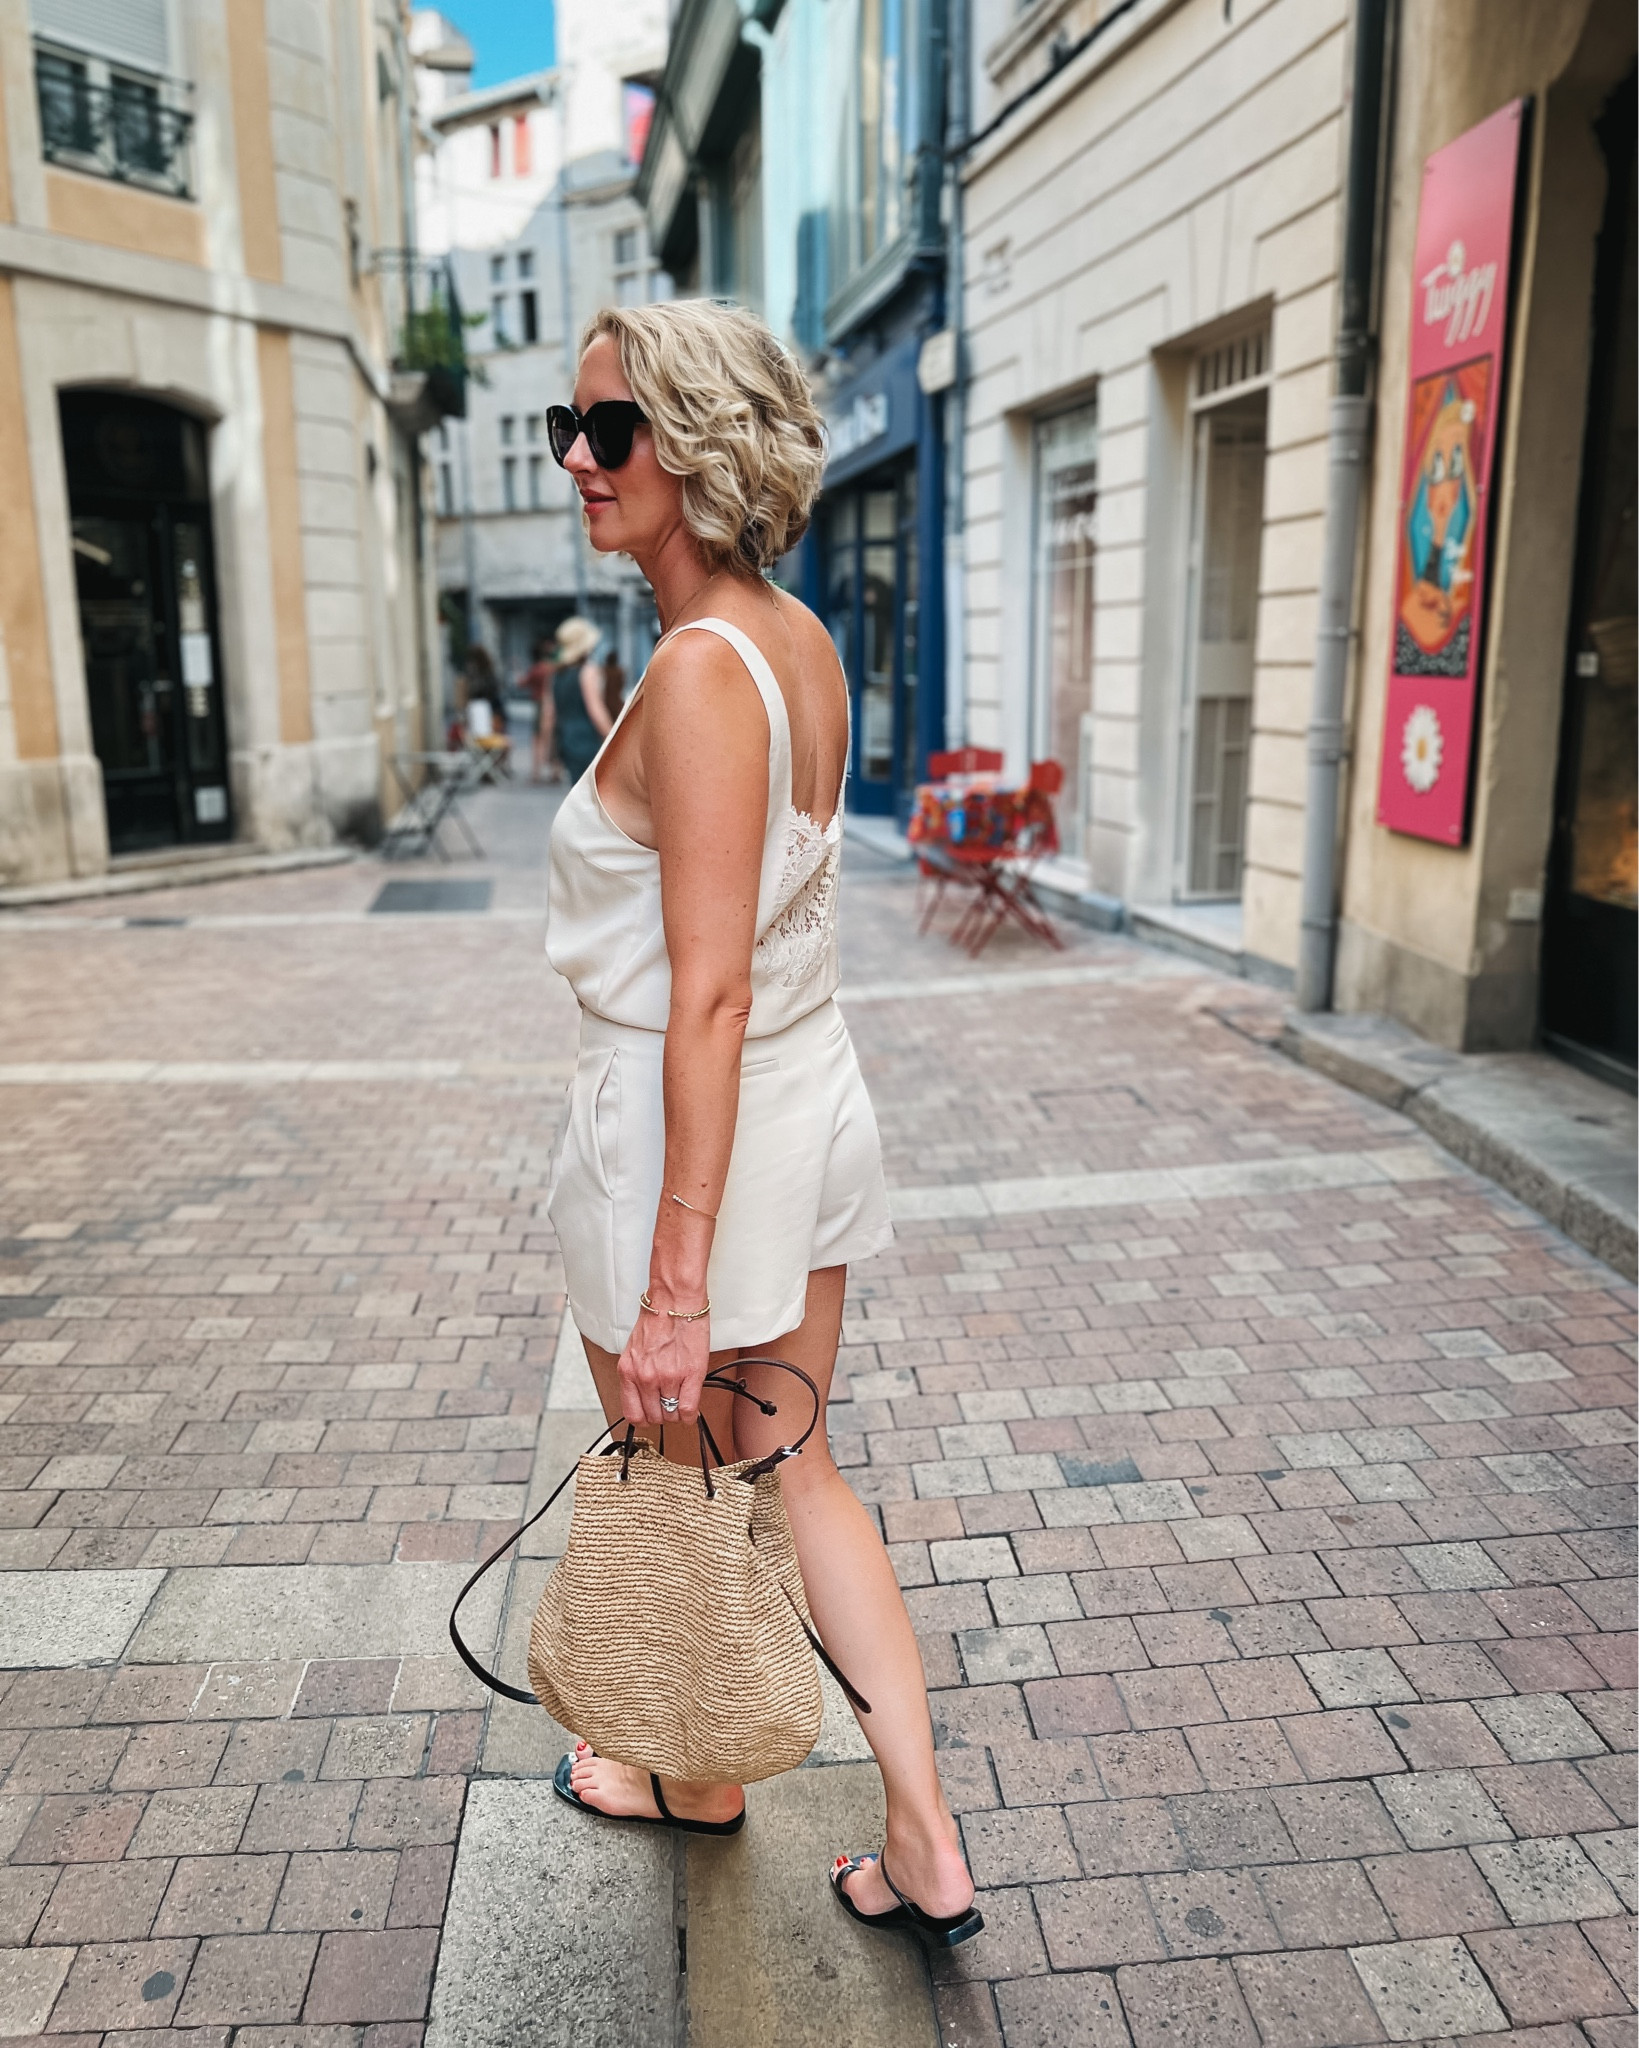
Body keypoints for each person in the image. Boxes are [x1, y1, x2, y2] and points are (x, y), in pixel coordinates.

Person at [541, 299, 981, 1948]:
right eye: (568, 429)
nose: (580, 461)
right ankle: (915, 1836)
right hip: (800, 1115)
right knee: (791, 1472)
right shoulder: (795, 642)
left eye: (611, 432)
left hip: (694, 1146)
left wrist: (671, 1281)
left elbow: (704, 991)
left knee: (688, 1476)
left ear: (698, 445)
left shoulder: (702, 671)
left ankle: (693, 1770)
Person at [550, 615, 611, 784]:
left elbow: (549, 716)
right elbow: (596, 711)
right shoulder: (588, 671)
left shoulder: (557, 675)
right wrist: (613, 738)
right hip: (586, 740)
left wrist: (551, 754)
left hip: (566, 740)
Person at [521, 637, 561, 783]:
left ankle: (536, 772)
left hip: (540, 703)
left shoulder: (537, 669)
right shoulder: (555, 668)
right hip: (556, 704)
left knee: (537, 738)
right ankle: (556, 771)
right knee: (556, 738)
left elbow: (522, 683)